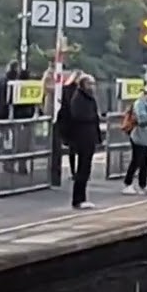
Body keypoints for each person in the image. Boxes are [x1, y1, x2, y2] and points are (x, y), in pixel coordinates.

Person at [68, 74, 102, 209]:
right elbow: (77, 115)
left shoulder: (90, 98)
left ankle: (83, 197)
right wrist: (92, 117)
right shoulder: (78, 98)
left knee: (86, 169)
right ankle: (78, 199)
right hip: (82, 137)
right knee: (82, 169)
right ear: (83, 84)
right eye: (89, 84)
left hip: (90, 136)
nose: (92, 87)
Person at [123, 84, 147, 195]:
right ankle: (128, 183)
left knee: (144, 162)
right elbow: (141, 120)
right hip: (138, 135)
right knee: (136, 160)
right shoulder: (139, 104)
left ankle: (143, 184)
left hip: (146, 137)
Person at [55, 71, 81, 178]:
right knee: (79, 149)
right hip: (77, 123)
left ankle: (73, 171)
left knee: (72, 149)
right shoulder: (79, 91)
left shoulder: (65, 90)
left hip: (69, 123)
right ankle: (78, 171)